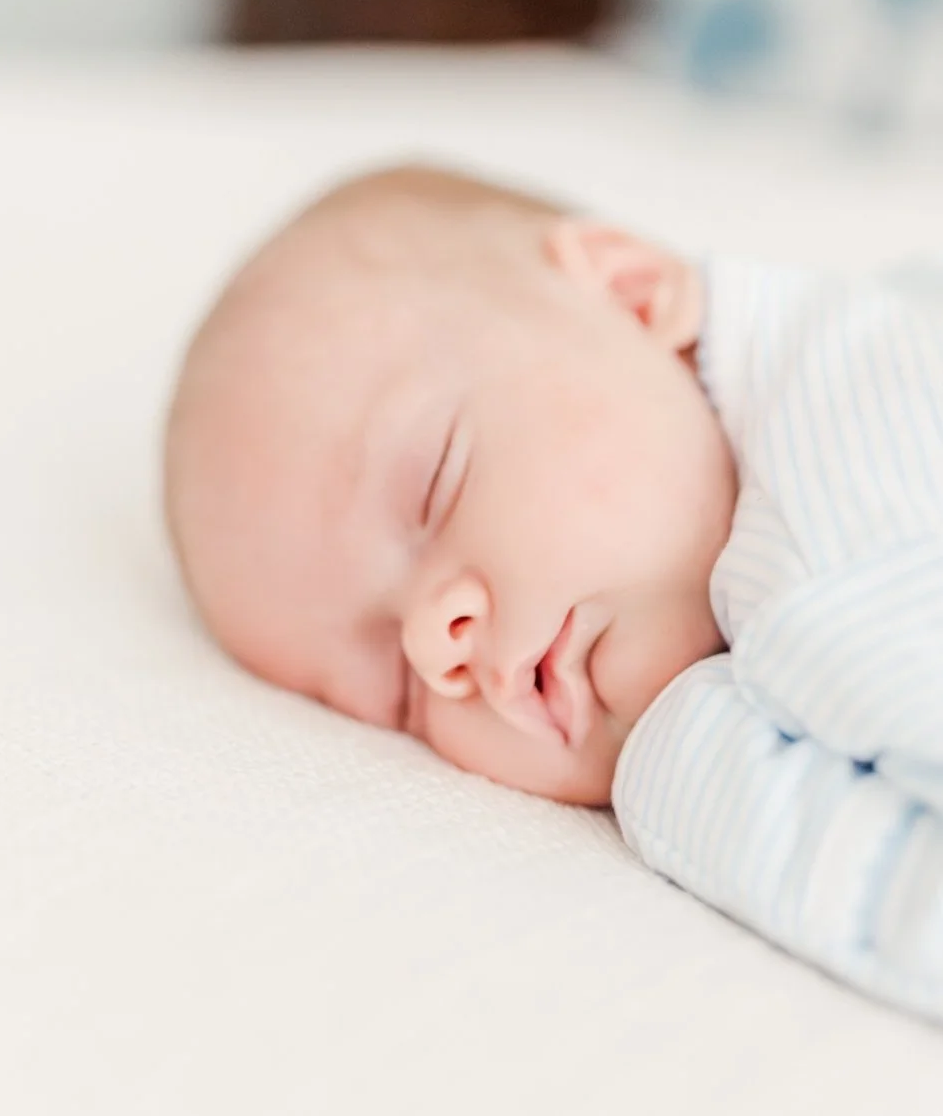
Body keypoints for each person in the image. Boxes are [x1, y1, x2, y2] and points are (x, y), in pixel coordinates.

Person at [165, 163, 943, 1023]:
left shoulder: (843, 499)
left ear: (632, 293)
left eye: (436, 485)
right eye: (394, 692)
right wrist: (678, 754)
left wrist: (687, 761)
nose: (436, 644)